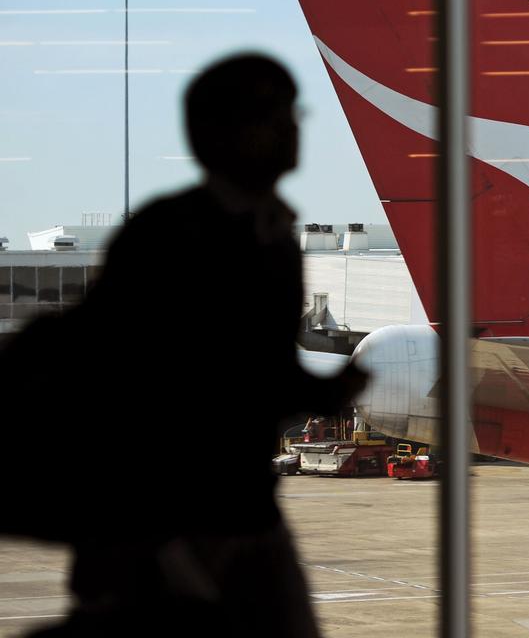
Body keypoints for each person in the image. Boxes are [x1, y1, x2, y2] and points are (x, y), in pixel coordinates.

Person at [1, 53, 366, 636]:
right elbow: (149, 369)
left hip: (241, 503)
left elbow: (252, 366)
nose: (294, 128)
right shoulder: (172, 234)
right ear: (221, 134)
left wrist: (326, 389)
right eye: (275, 115)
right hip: (172, 512)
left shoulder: (272, 232)